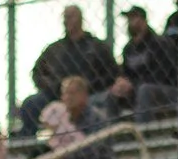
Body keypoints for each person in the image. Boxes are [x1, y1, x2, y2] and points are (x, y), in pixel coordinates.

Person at [21, 6, 120, 135]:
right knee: (31, 103)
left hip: (90, 94)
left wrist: (87, 87)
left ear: (80, 19)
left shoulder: (97, 47)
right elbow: (37, 73)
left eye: (70, 17)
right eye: (64, 17)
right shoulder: (54, 49)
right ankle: (28, 145)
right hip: (57, 95)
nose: (66, 21)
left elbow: (112, 73)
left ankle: (96, 142)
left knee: (102, 102)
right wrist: (53, 87)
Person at [32, 75, 116, 159]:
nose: (66, 97)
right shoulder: (61, 117)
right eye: (64, 93)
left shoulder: (97, 118)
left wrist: (61, 156)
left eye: (71, 93)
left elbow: (92, 151)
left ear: (84, 95)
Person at [109, 6, 178, 118]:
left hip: (167, 90)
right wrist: (121, 83)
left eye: (134, 18)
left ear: (144, 20)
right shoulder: (128, 49)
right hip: (136, 90)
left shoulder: (160, 43)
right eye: (128, 19)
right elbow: (126, 74)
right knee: (112, 94)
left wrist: (133, 85)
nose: (130, 22)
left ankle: (143, 131)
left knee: (145, 90)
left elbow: (161, 76)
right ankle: (112, 132)